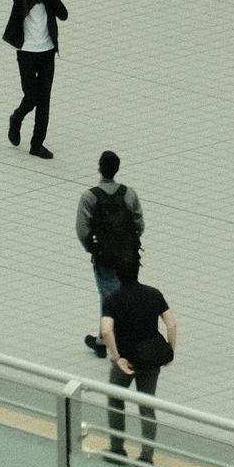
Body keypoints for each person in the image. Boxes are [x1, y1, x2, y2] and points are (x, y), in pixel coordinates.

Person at [99, 259, 175, 466]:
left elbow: (106, 330)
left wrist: (117, 358)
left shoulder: (113, 300)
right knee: (147, 405)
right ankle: (146, 457)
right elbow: (171, 324)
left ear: (117, 275)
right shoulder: (154, 294)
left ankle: (117, 449)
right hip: (151, 359)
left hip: (127, 360)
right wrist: (169, 351)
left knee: (115, 399)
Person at [77, 149, 145, 355]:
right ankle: (106, 338)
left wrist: (93, 247)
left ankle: (105, 341)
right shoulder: (129, 193)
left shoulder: (89, 196)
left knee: (109, 297)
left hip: (105, 256)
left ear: (99, 168)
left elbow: (82, 229)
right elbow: (139, 223)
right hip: (128, 256)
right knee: (126, 293)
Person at [0, 0, 68, 160]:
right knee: (31, 97)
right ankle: (16, 118)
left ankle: (37, 144)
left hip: (47, 52)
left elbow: (63, 15)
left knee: (44, 100)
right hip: (27, 52)